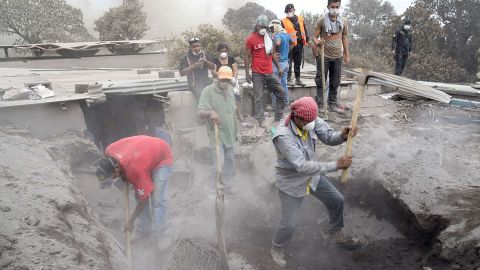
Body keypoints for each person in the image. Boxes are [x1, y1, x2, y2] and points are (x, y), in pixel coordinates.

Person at [270, 97, 360, 267]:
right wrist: (336, 165)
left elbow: (328, 137)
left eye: (314, 120)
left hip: (313, 177)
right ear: (296, 117)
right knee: (289, 223)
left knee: (337, 200)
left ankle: (334, 232)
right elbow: (302, 166)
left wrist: (342, 135)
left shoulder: (310, 118)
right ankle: (277, 247)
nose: (313, 123)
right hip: (292, 182)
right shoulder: (283, 136)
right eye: (309, 121)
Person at [94, 135, 173, 248]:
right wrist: (123, 177)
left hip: (162, 156)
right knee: (139, 193)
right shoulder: (109, 151)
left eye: (112, 177)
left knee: (157, 200)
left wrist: (131, 221)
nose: (112, 179)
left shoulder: (134, 170)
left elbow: (144, 200)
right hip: (143, 153)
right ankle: (144, 231)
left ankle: (162, 235)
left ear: (116, 169)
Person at [197, 66, 238, 193]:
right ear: (217, 78)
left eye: (227, 80)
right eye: (223, 80)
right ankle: (213, 186)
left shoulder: (231, 89)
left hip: (230, 133)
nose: (225, 83)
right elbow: (200, 112)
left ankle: (228, 185)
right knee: (219, 162)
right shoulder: (208, 91)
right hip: (217, 133)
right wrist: (210, 113)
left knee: (230, 161)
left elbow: (232, 110)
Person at [245, 15, 286, 128]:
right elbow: (247, 56)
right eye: (261, 26)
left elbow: (272, 54)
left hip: (269, 72)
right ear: (256, 26)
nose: (263, 28)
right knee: (258, 97)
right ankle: (261, 120)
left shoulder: (269, 38)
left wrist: (279, 67)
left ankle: (278, 117)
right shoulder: (250, 39)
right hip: (257, 73)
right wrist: (247, 73)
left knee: (281, 91)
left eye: (265, 26)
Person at [313, 0, 351, 114]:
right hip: (324, 55)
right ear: (328, 6)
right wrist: (318, 41)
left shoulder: (344, 21)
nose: (335, 9)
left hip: (337, 56)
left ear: (339, 7)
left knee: (335, 81)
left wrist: (346, 54)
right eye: (332, 6)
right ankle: (320, 104)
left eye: (337, 6)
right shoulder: (321, 21)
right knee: (321, 81)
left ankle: (332, 103)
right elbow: (314, 38)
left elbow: (345, 38)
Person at [212, 43, 243, 121]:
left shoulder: (231, 59)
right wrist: (223, 76)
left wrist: (234, 78)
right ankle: (222, 115)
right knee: (220, 97)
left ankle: (239, 114)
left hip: (231, 80)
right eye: (222, 51)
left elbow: (235, 70)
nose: (224, 53)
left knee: (237, 96)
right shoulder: (215, 60)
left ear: (227, 51)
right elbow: (213, 72)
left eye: (225, 51)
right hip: (219, 80)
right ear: (218, 52)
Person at [282, 3, 310, 87]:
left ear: (294, 10)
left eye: (291, 10)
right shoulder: (283, 21)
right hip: (289, 45)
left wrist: (307, 40)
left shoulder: (300, 19)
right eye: (288, 11)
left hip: (299, 44)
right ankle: (289, 79)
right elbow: (282, 33)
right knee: (289, 62)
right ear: (286, 12)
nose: (290, 12)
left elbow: (304, 30)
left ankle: (298, 79)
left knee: (297, 62)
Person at [270, 19, 294, 109]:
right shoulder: (286, 34)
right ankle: (286, 102)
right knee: (284, 83)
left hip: (278, 64)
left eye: (272, 28)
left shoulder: (278, 35)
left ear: (275, 27)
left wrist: (274, 51)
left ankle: (275, 104)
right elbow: (292, 43)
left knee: (276, 84)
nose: (271, 30)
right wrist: (286, 51)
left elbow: (278, 43)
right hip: (286, 63)